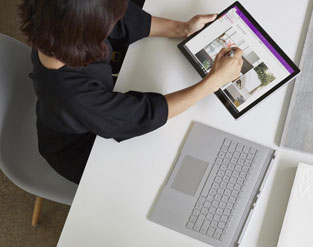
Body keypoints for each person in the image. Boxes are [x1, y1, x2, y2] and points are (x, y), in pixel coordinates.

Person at [19, 0, 243, 184]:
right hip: (81, 150)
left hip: (91, 114)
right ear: (88, 33)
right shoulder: (71, 93)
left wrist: (182, 28)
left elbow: (122, 21)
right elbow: (141, 115)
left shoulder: (58, 25)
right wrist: (213, 82)